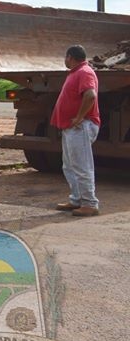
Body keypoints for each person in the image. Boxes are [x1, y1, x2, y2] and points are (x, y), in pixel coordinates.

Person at [50, 45, 101, 216]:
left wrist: (79, 117)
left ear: (70, 57)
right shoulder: (76, 72)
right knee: (70, 166)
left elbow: (90, 95)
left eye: (65, 57)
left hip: (81, 127)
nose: (65, 60)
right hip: (73, 127)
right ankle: (77, 199)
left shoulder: (84, 72)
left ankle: (90, 203)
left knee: (81, 165)